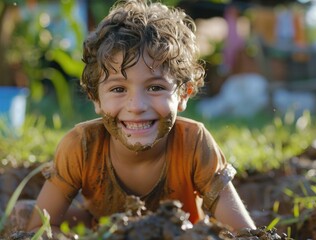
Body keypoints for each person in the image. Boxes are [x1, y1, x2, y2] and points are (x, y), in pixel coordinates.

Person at [26, 0, 256, 235]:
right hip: (105, 233)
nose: (136, 106)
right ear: (95, 97)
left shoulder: (194, 144)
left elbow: (246, 233)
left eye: (155, 88)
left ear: (184, 94)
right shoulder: (81, 147)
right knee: (22, 214)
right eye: (118, 89)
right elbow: (38, 229)